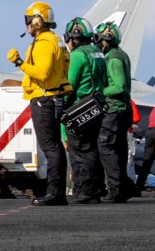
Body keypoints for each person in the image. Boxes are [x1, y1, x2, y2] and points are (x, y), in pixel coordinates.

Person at [8, 0, 69, 206]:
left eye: (28, 20)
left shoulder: (43, 43)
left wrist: (19, 62)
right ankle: (57, 191)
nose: (26, 25)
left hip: (44, 98)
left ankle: (54, 193)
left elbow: (41, 73)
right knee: (56, 147)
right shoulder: (57, 40)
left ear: (37, 21)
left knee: (50, 147)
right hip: (54, 97)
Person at [63, 17, 105, 203]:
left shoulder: (78, 55)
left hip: (79, 107)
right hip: (96, 106)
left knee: (79, 151)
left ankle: (85, 191)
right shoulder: (98, 52)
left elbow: (69, 84)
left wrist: (61, 105)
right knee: (92, 149)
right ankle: (95, 189)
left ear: (74, 37)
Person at [96, 21, 134, 202]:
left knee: (106, 147)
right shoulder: (122, 54)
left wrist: (100, 92)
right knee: (119, 148)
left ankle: (115, 189)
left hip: (114, 110)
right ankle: (123, 187)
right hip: (123, 111)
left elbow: (119, 86)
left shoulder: (113, 59)